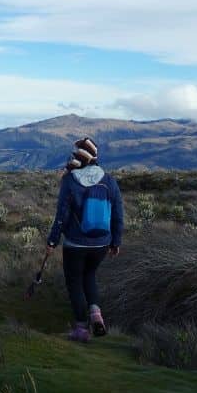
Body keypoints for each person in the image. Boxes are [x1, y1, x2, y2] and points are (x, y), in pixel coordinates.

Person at [46, 137, 124, 342]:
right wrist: (115, 242)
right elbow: (118, 214)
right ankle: (96, 314)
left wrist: (52, 241)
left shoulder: (70, 181)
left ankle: (81, 328)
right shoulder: (109, 180)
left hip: (75, 243)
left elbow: (61, 215)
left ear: (79, 157)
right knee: (89, 276)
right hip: (102, 242)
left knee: (74, 282)